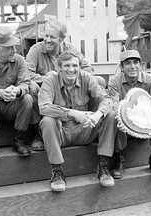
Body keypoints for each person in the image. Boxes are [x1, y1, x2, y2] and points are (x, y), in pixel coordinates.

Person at [38, 51, 117, 192]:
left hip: (85, 130)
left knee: (110, 114)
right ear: (59, 67)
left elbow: (107, 99)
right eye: (67, 65)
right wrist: (72, 113)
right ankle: (57, 172)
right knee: (47, 121)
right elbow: (43, 107)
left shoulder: (87, 78)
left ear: (80, 67)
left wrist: (97, 114)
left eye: (75, 65)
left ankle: (103, 167)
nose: (71, 69)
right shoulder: (51, 80)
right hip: (60, 133)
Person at [26, 19, 106, 151]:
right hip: (45, 90)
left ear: (62, 39)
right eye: (46, 36)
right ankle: (37, 132)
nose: (47, 40)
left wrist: (73, 74)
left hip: (71, 86)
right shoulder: (35, 50)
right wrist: (48, 78)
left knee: (99, 81)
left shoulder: (70, 49)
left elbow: (88, 69)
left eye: (52, 37)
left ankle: (91, 122)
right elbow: (27, 75)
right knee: (32, 87)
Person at [0, 26, 42, 159]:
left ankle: (19, 139)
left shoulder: (19, 60)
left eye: (14, 46)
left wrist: (17, 90)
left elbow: (26, 82)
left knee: (27, 98)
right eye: (9, 47)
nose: (14, 50)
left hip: (13, 105)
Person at [108, 49, 151, 179]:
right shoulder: (114, 82)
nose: (132, 66)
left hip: (146, 121)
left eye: (135, 62)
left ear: (140, 65)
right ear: (122, 67)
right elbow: (113, 104)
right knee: (114, 117)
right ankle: (119, 158)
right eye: (128, 63)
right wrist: (120, 120)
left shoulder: (150, 80)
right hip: (125, 123)